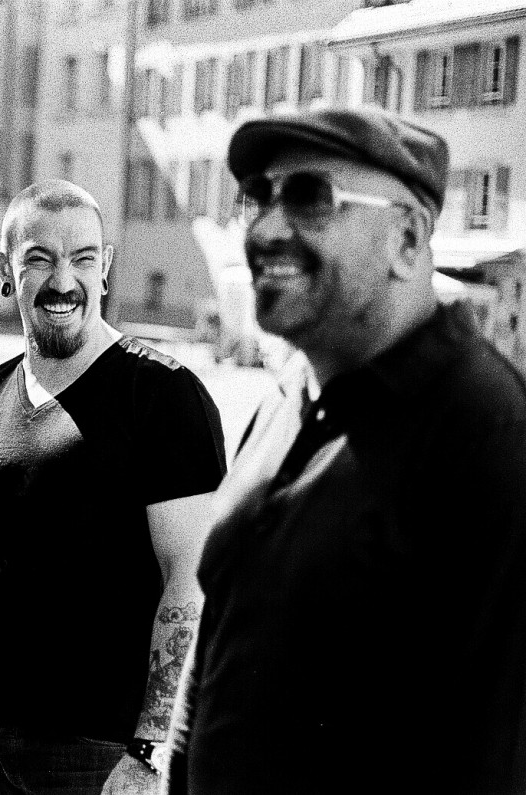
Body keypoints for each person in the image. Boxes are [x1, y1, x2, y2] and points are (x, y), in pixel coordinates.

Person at [164, 107, 526, 794]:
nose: (265, 229)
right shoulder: (284, 400)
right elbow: (217, 649)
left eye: (309, 197)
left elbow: (491, 758)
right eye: (257, 197)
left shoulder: (486, 432)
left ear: (407, 240)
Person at [0, 179, 227, 795]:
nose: (63, 282)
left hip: (94, 749)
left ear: (106, 267)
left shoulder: (163, 395)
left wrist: (149, 750)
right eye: (40, 259)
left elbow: (190, 580)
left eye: (83, 259)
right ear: (6, 271)